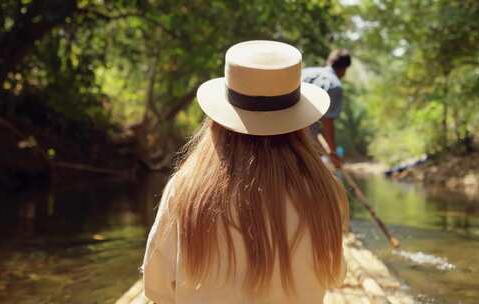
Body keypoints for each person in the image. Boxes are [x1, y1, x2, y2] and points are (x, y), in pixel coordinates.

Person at [142, 40, 349, 304]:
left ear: (219, 119)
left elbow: (157, 287)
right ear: (299, 123)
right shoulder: (325, 191)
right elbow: (335, 275)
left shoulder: (184, 190)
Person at [302, 49, 352, 168]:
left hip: (279, 129)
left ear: (329, 61)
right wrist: (333, 154)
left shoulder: (305, 72)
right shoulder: (335, 86)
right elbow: (328, 122)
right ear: (344, 69)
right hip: (304, 141)